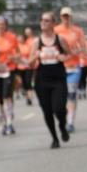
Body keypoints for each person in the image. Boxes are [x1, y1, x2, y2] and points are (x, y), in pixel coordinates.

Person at [31, 12, 70, 148]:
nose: (43, 22)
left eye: (46, 20)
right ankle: (54, 138)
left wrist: (63, 58)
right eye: (42, 20)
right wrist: (35, 56)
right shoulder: (36, 42)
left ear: (53, 23)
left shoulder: (60, 39)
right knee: (47, 111)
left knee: (59, 108)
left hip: (58, 79)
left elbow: (69, 54)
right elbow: (29, 63)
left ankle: (62, 126)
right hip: (42, 80)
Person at [54, 7, 84, 131]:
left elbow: (82, 46)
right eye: (64, 16)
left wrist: (75, 52)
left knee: (71, 94)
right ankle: (63, 117)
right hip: (59, 68)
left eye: (68, 16)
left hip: (73, 67)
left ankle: (70, 122)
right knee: (60, 97)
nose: (66, 18)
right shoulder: (56, 30)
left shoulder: (77, 31)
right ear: (61, 17)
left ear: (71, 17)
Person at [0, 16, 19, 136]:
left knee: (7, 95)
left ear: (6, 25)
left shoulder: (12, 37)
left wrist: (15, 57)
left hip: (9, 69)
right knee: (0, 98)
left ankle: (9, 123)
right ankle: (4, 122)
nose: (0, 26)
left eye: (2, 24)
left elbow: (18, 53)